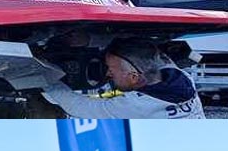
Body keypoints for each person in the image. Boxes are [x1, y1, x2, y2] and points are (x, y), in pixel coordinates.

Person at [42, 39, 205, 119]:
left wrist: (45, 78)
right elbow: (153, 52)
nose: (107, 74)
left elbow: (78, 106)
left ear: (133, 77)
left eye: (111, 70)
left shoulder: (135, 106)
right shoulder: (182, 77)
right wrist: (89, 39)